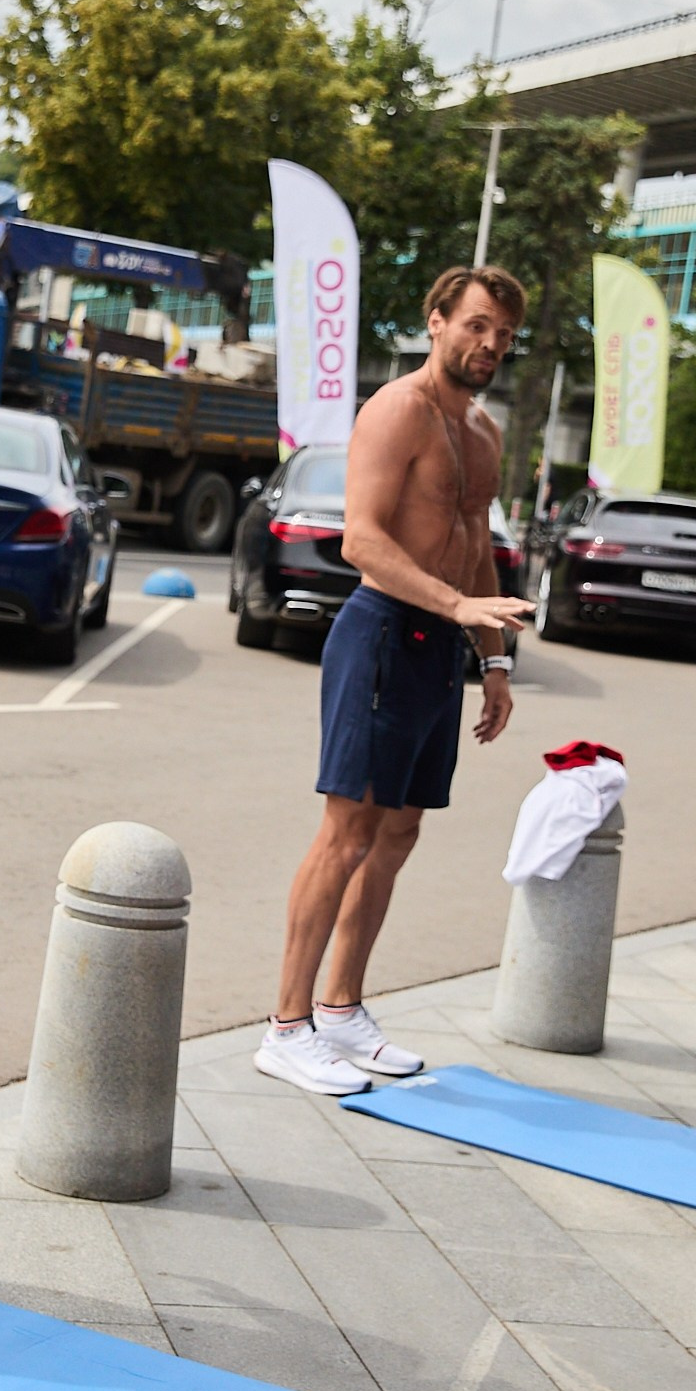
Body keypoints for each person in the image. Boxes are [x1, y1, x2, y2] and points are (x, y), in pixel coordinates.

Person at [253, 265, 536, 1097]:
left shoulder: (482, 432)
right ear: (438, 320)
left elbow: (477, 545)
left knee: (401, 830)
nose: (490, 345)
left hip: (439, 651)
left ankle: (341, 1010)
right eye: (477, 325)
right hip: (381, 633)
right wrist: (456, 603)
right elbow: (364, 542)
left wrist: (491, 657)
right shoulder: (396, 411)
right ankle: (286, 1026)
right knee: (347, 830)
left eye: (505, 335)